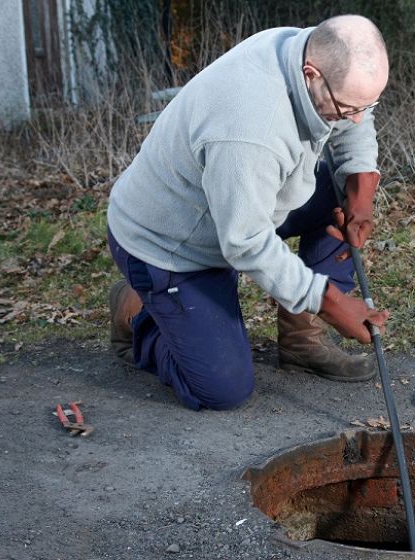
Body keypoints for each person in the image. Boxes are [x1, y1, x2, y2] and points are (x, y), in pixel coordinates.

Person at [106, 14, 390, 410]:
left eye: (367, 105)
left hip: (241, 202)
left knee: (335, 189)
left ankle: (301, 342)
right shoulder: (250, 126)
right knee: (223, 389)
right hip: (170, 243)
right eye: (348, 108)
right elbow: (245, 241)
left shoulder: (306, 51)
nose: (357, 117)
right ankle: (137, 312)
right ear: (312, 74)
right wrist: (330, 301)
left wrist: (360, 189)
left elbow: (355, 115)